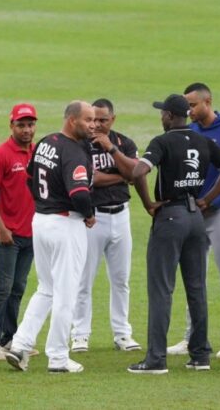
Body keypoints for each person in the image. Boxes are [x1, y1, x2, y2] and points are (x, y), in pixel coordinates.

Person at [127, 94, 220, 374]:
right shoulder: (204, 141)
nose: (160, 117)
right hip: (195, 218)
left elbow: (139, 171)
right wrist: (207, 199)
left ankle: (155, 360)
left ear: (168, 115)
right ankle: (200, 355)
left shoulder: (162, 142)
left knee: (161, 289)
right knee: (197, 288)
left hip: (170, 217)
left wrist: (147, 203)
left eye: (162, 112)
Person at [5, 101, 96, 374]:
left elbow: (30, 178)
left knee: (46, 288)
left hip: (41, 221)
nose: (93, 125)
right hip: (65, 225)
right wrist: (89, 214)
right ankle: (58, 357)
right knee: (65, 294)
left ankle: (20, 345)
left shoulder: (46, 142)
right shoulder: (74, 153)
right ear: (72, 121)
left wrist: (45, 202)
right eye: (88, 120)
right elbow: (79, 194)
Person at [167, 83, 220, 360]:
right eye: (186, 106)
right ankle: (192, 338)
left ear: (207, 101)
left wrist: (211, 201)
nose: (188, 110)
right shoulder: (193, 132)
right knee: (194, 277)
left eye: (192, 105)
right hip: (196, 212)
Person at [71, 98, 141, 353]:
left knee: (121, 279)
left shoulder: (123, 143)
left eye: (103, 120)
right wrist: (121, 176)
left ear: (113, 119)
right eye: (93, 119)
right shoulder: (81, 144)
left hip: (121, 216)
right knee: (84, 279)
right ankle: (80, 334)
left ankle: (122, 333)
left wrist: (112, 150)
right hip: (93, 218)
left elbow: (136, 173)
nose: (97, 125)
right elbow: (91, 179)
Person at [0, 103, 37, 361]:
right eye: (21, 125)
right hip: (6, 234)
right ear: (11, 126)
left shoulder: (37, 152)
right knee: (1, 286)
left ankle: (10, 338)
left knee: (18, 287)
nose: (26, 130)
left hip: (31, 233)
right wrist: (1, 228)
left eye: (30, 125)